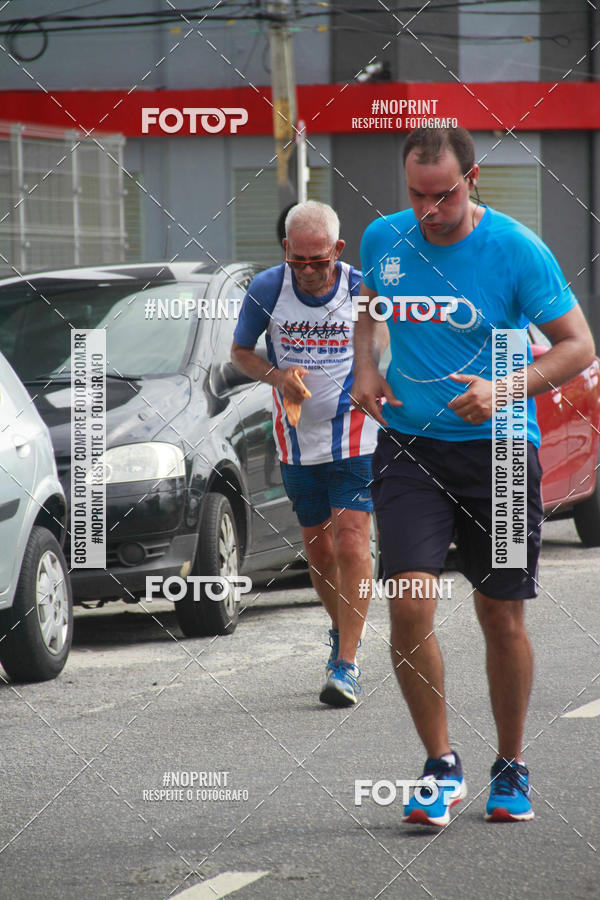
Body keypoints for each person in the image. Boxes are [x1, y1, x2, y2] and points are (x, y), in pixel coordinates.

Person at [354, 127, 595, 824]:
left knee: (500, 614)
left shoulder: (517, 250)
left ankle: (512, 763)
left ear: (473, 178)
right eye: (418, 195)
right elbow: (370, 313)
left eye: (445, 195)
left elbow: (578, 346)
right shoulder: (383, 239)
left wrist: (505, 387)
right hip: (411, 447)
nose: (430, 211)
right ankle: (440, 765)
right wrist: (368, 366)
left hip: (500, 451)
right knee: (407, 602)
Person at [231, 200, 381, 706]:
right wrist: (277, 378)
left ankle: (348, 663)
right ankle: (342, 631)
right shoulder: (268, 289)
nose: (311, 271)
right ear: (285, 252)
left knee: (353, 542)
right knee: (318, 549)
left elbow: (387, 340)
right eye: (301, 261)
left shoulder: (361, 289)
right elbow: (240, 352)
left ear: (338, 250)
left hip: (354, 432)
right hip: (295, 437)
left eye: (321, 260)